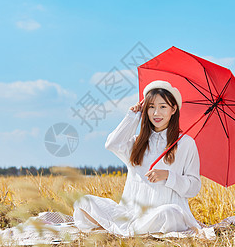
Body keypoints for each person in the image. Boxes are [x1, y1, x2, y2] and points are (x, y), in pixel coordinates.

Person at [73, 80, 205, 237]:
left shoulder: (185, 143)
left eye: (163, 107)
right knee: (84, 202)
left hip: (162, 214)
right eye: (151, 107)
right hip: (130, 214)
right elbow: (112, 144)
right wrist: (133, 116)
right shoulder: (137, 142)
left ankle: (119, 231)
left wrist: (168, 176)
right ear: (145, 110)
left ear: (173, 109)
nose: (156, 113)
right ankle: (130, 231)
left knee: (171, 212)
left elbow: (194, 186)